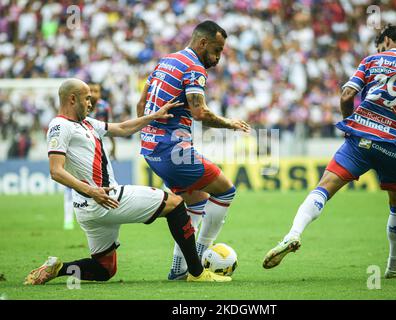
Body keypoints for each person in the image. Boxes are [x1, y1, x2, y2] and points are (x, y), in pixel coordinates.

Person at [263, 25, 396, 278]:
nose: (379, 51)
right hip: (392, 142)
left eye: (380, 46)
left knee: (323, 187)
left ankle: (293, 235)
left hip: (359, 139)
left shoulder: (370, 61)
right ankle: (392, 264)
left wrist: (350, 125)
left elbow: (346, 95)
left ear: (387, 40)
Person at [24, 78, 231, 285]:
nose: (90, 103)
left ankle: (58, 269)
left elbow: (122, 128)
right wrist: (92, 191)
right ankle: (197, 272)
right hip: (105, 199)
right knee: (176, 204)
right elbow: (56, 171)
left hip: (90, 209)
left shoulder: (86, 124)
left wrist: (154, 116)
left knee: (105, 269)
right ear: (72, 99)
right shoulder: (60, 126)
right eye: (87, 99)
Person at [136, 20, 251, 280]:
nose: (218, 57)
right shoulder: (194, 67)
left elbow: (141, 103)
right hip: (171, 150)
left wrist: (149, 132)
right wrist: (229, 124)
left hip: (150, 148)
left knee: (197, 200)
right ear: (202, 43)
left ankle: (179, 269)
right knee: (225, 190)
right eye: (217, 50)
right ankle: (198, 257)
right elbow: (199, 113)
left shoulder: (165, 61)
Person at [62, 82, 116, 230]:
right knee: (72, 185)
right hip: (81, 149)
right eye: (91, 91)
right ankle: (68, 219)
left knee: (103, 180)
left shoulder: (104, 107)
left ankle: (104, 211)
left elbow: (110, 128)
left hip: (99, 147)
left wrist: (113, 148)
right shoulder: (76, 110)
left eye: (96, 91)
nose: (94, 94)